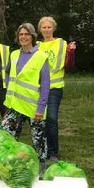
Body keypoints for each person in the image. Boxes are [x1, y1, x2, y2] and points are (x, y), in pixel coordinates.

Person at [1, 23, 50, 177]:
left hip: (34, 107)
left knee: (38, 140)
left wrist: (41, 108)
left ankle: (42, 168)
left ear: (32, 36)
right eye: (21, 34)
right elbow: (8, 71)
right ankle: (9, 164)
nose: (23, 37)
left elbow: (45, 85)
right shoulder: (14, 54)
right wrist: (9, 85)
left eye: (26, 34)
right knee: (6, 135)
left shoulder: (41, 57)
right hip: (15, 105)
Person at [37, 16, 76, 163]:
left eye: (49, 27)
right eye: (44, 27)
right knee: (41, 120)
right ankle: (42, 150)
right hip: (39, 89)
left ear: (53, 28)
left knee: (52, 119)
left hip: (55, 88)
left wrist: (71, 52)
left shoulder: (61, 44)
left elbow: (69, 65)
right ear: (40, 29)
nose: (46, 30)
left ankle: (53, 152)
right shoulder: (37, 46)